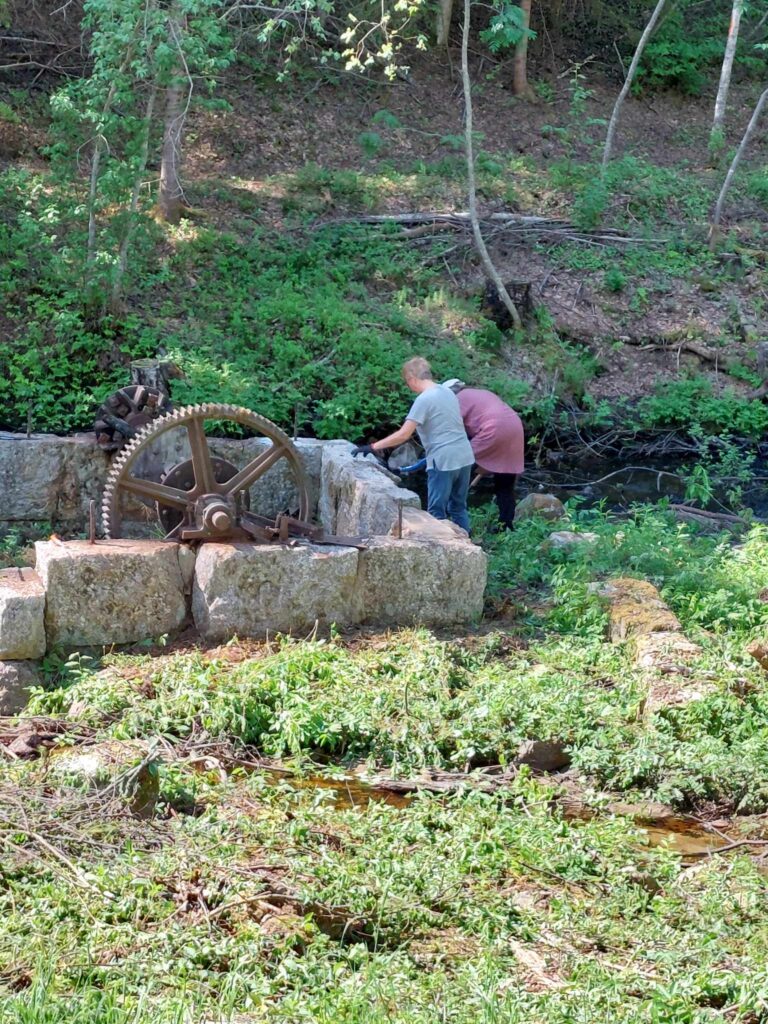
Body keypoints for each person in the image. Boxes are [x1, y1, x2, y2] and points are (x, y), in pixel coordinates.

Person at [352, 357, 475, 532]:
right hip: (465, 456)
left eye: (407, 381)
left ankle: (440, 551)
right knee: (458, 507)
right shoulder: (448, 392)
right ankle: (468, 548)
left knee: (436, 512)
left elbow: (403, 434)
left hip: (443, 461)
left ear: (412, 378)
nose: (408, 385)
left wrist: (372, 447)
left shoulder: (424, 399)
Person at [443, 379, 524, 529]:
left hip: (493, 429)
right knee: (505, 485)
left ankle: (449, 518)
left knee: (458, 470)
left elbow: (452, 428)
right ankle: (505, 526)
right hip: (515, 428)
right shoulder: (480, 393)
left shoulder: (459, 399)